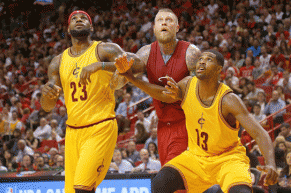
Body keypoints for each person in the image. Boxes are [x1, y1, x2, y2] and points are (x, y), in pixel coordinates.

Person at [114, 50, 278, 193]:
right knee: (160, 182)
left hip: (228, 158)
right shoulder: (187, 85)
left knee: (241, 191)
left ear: (219, 69)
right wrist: (130, 76)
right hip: (196, 157)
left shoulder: (229, 100)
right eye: (201, 58)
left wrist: (270, 164)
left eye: (209, 59)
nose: (202, 61)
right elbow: (162, 94)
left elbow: (259, 133)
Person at [79, 8, 201, 166]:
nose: (164, 22)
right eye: (160, 20)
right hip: (163, 128)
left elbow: (170, 95)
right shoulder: (146, 53)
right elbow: (116, 84)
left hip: (188, 124)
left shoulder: (191, 54)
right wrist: (119, 71)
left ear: (177, 27)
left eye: (169, 20)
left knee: (175, 178)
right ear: (154, 27)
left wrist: (107, 68)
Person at [40, 10, 143, 193]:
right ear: (68, 30)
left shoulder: (104, 49)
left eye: (83, 18)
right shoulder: (58, 62)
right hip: (72, 133)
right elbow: (46, 107)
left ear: (92, 27)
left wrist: (101, 65)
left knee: (82, 188)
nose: (79, 20)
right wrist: (46, 96)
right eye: (74, 19)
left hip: (100, 126)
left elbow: (137, 64)